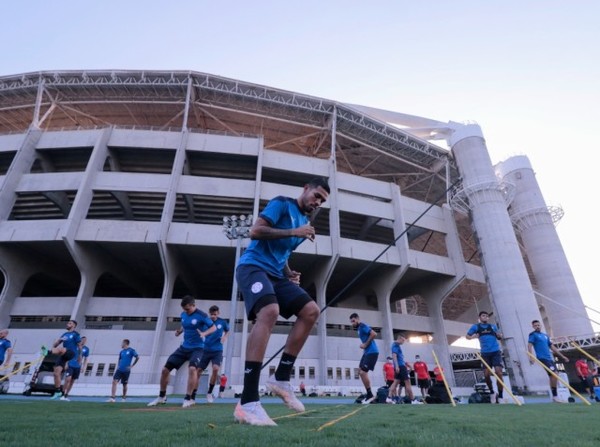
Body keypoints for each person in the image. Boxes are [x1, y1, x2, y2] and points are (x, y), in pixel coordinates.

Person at [233, 178, 329, 426]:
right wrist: (293, 232)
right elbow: (256, 231)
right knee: (269, 311)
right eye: (316, 195)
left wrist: (288, 271)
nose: (317, 202)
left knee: (310, 311)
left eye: (322, 200)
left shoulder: (305, 223)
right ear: (306, 189)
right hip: (252, 267)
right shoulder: (282, 204)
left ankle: (281, 377)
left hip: (276, 275)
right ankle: (248, 401)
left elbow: (281, 251)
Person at [148, 295, 215, 408]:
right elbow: (185, 324)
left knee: (192, 368)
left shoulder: (202, 315)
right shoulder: (183, 314)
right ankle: (162, 396)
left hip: (197, 348)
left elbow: (213, 328)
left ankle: (188, 398)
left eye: (188, 309)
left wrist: (204, 334)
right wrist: (179, 331)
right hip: (183, 348)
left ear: (194, 305)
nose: (186, 311)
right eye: (184, 309)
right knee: (165, 370)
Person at [466, 311, 504, 403]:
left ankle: (500, 395)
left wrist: (500, 336)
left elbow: (499, 337)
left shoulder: (493, 327)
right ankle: (492, 392)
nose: (485, 317)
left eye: (487, 316)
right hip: (485, 353)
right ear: (480, 317)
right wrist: (474, 336)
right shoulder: (476, 327)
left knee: (499, 373)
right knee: (486, 374)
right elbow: (467, 336)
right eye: (483, 316)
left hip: (495, 352)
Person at [528, 319, 569, 403]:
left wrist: (562, 356)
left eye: (538, 325)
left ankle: (554, 395)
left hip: (549, 358)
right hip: (542, 358)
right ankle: (555, 395)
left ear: (541, 325)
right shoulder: (533, 335)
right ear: (533, 326)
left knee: (552, 376)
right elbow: (529, 346)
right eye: (535, 325)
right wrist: (531, 356)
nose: (537, 326)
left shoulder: (545, 335)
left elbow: (552, 347)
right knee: (555, 374)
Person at [197, 305, 230, 403]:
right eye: (211, 314)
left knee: (215, 369)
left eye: (215, 314)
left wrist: (225, 337)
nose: (213, 316)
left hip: (217, 350)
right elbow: (198, 329)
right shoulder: (206, 322)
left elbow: (228, 330)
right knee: (198, 371)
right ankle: (193, 394)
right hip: (205, 350)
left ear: (218, 313)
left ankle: (209, 393)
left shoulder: (222, 322)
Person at [43, 320, 82, 400]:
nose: (67, 324)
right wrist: (58, 341)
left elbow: (80, 346)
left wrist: (78, 357)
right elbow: (55, 345)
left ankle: (48, 352)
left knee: (62, 349)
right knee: (56, 373)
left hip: (71, 354)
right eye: (67, 323)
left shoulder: (75, 334)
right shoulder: (64, 334)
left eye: (70, 323)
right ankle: (58, 391)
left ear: (74, 326)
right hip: (63, 354)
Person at [350, 312, 379, 404]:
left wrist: (365, 344)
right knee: (360, 371)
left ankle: (370, 394)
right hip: (366, 353)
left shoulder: (362, 326)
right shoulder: (359, 328)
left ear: (358, 319)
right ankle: (369, 393)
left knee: (363, 372)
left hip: (372, 352)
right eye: (351, 322)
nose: (352, 323)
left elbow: (374, 334)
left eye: (354, 321)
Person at [388, 333, 417, 404]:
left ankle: (389, 398)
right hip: (401, 366)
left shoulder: (396, 345)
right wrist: (397, 366)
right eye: (403, 340)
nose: (403, 342)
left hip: (400, 366)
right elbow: (394, 356)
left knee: (395, 382)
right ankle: (413, 400)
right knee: (408, 383)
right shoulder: (395, 345)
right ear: (400, 338)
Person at [62, 336, 90, 401]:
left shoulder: (86, 349)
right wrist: (66, 363)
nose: (83, 341)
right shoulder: (74, 346)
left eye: (85, 340)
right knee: (68, 379)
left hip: (77, 367)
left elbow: (85, 359)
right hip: (70, 365)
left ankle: (66, 395)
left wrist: (84, 367)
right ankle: (62, 393)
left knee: (72, 381)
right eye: (82, 340)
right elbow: (68, 355)